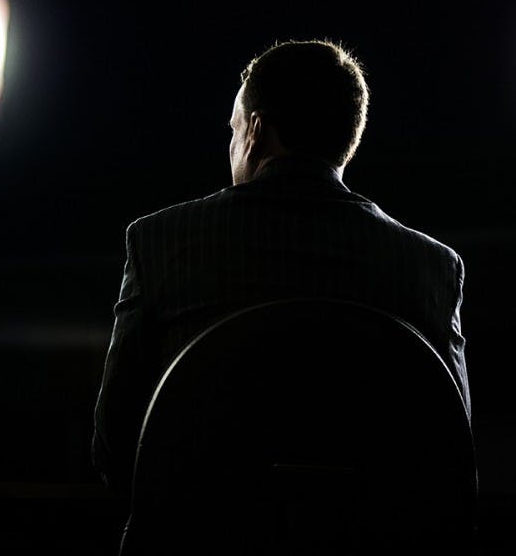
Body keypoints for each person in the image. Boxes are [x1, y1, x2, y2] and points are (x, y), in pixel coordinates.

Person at [92, 38, 470, 493]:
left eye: (233, 130)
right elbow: (454, 455)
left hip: (198, 527)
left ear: (255, 130)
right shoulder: (431, 268)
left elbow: (114, 445)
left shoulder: (161, 243)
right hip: (370, 532)